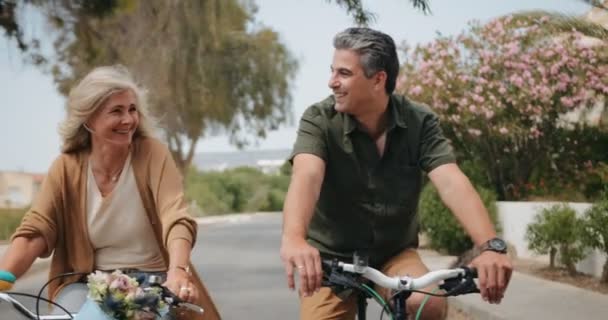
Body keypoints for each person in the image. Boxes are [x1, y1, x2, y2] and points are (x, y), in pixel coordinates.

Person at [280, 27, 513, 320]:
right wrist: (294, 239)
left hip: (395, 253)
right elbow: (307, 177)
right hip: (331, 259)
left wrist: (490, 246)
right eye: (332, 71)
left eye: (344, 73)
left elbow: (451, 181)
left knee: (426, 304)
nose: (332, 82)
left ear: (379, 79)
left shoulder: (419, 121)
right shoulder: (319, 120)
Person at [0, 65, 221, 320]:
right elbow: (36, 230)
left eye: (132, 109)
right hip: (90, 283)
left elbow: (176, 218)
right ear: (89, 119)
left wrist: (178, 271)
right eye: (116, 111)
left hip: (155, 282)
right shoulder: (66, 167)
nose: (128, 120)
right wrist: (4, 277)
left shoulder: (152, 153)